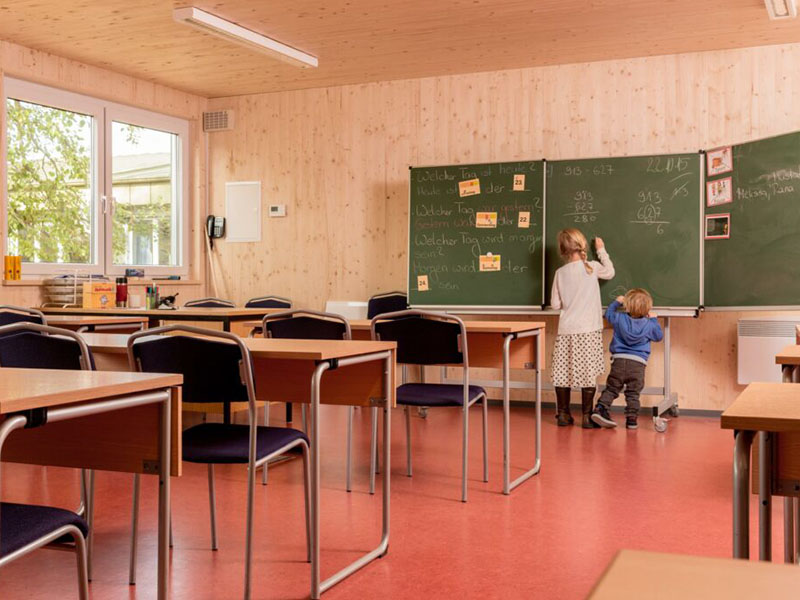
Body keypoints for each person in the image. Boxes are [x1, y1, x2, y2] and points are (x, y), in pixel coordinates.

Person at [550, 228, 615, 428]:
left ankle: (563, 414)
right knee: (588, 373)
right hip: (588, 329)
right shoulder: (592, 267)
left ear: (562, 250)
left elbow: (555, 305)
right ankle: (587, 417)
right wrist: (602, 250)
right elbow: (611, 272)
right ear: (582, 245)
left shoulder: (559, 273)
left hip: (567, 329)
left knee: (563, 372)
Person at [591, 288, 663, 430]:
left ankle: (600, 408)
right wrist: (654, 319)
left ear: (627, 306)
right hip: (638, 364)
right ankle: (631, 420)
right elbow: (658, 336)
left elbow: (608, 314)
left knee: (612, 388)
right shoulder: (649, 325)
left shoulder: (619, 318)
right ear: (648, 308)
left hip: (619, 361)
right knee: (633, 393)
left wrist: (616, 302)